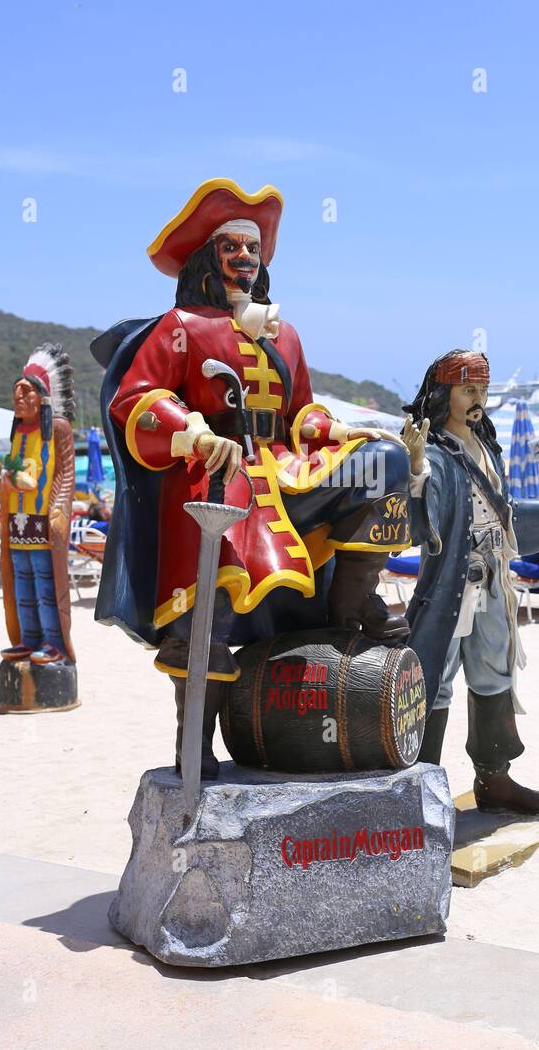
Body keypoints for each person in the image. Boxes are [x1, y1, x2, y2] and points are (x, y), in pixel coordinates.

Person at [94, 177, 412, 779]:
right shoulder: (181, 325)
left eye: (252, 247)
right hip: (218, 468)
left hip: (285, 469)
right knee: (209, 599)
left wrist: (339, 434)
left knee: (383, 465)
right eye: (231, 246)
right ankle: (196, 741)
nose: (244, 257)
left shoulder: (285, 334)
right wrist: (191, 431)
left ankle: (350, 613)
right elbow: (135, 399)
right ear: (206, 258)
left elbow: (302, 414)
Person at [401, 350, 539, 814]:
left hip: (494, 580)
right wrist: (413, 468)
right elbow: (416, 524)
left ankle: (494, 778)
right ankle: (420, 788)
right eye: (468, 390)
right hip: (452, 581)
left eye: (482, 391)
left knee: (496, 673)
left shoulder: (487, 447)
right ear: (443, 394)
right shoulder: (431, 452)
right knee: (434, 681)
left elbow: (508, 516)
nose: (478, 400)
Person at [0, 345, 77, 666]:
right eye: (16, 392)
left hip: (44, 521)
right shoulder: (18, 431)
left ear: (42, 397)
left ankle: (53, 642)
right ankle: (28, 640)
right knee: (22, 586)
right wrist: (6, 480)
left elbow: (67, 473)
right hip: (19, 521)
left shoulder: (58, 428)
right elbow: (14, 470)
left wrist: (58, 510)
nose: (19, 397)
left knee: (46, 584)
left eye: (26, 392)